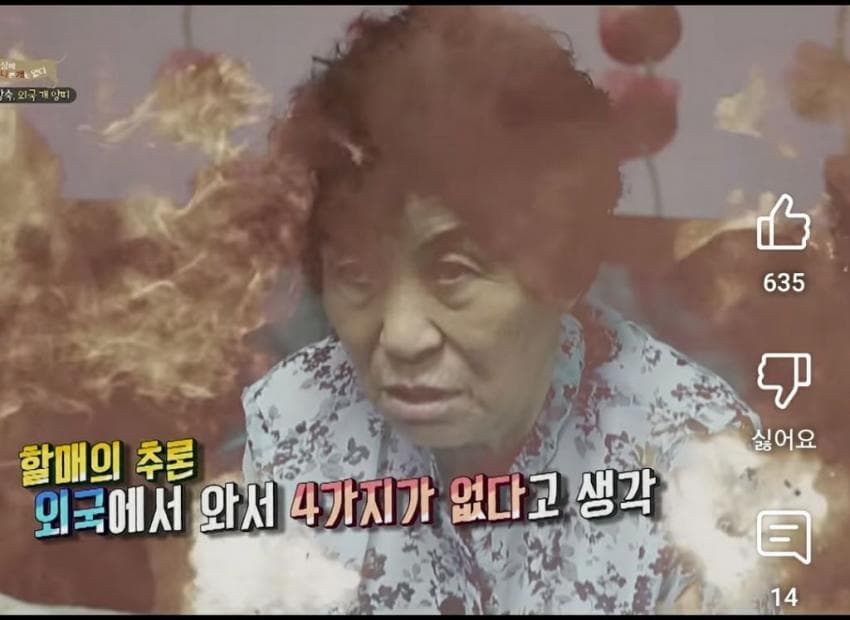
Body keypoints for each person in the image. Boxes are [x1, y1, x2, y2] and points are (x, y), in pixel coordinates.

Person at [241, 6, 767, 614]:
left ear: (564, 270)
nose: (403, 337)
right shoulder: (295, 419)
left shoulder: (696, 454)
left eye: (454, 272)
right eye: (357, 276)